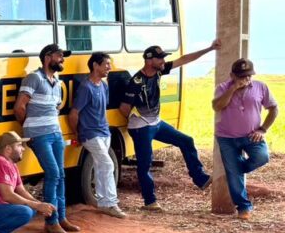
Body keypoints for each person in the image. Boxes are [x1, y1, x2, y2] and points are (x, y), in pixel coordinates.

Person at [119, 41, 220, 211]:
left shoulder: (160, 71)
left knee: (186, 141)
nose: (163, 62)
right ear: (149, 60)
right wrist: (137, 120)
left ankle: (200, 178)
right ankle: (150, 201)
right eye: (160, 59)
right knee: (145, 164)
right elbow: (124, 107)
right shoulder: (136, 81)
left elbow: (184, 59)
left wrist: (209, 49)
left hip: (156, 123)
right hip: (142, 127)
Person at [14, 44, 79, 233]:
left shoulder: (56, 81)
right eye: (60, 56)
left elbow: (55, 108)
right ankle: (50, 221)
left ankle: (61, 217)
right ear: (47, 57)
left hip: (55, 133)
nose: (62, 60)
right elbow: (20, 107)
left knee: (60, 174)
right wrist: (31, 128)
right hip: (39, 134)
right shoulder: (34, 78)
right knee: (53, 173)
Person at [211, 58, 278, 220]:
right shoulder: (222, 88)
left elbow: (273, 108)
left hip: (251, 135)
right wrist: (233, 88)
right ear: (232, 75)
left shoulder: (261, 87)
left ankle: (236, 169)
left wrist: (263, 129)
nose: (246, 79)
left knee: (262, 157)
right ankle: (243, 207)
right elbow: (217, 106)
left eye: (249, 76)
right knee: (233, 174)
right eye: (242, 76)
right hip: (226, 137)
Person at [68, 53, 127, 218]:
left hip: (104, 132)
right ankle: (110, 203)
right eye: (106, 64)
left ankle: (103, 202)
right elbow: (74, 113)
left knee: (102, 166)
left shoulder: (103, 85)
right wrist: (77, 133)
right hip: (90, 134)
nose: (109, 67)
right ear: (95, 65)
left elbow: (101, 110)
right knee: (107, 165)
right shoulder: (86, 88)